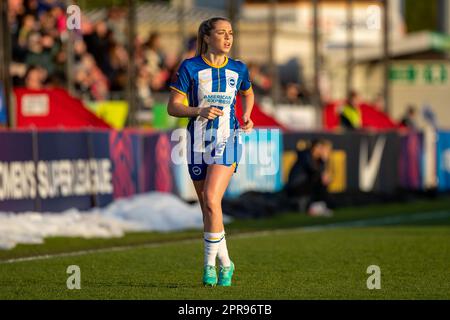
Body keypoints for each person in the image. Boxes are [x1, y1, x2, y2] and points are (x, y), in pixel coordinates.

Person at [167, 17, 254, 287]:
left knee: (212, 199)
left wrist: (247, 116)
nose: (228, 38)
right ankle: (226, 264)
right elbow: (173, 107)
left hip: (227, 140)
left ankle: (208, 268)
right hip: (197, 141)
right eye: (221, 33)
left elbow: (248, 93)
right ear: (206, 37)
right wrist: (198, 110)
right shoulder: (190, 67)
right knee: (208, 207)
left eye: (231, 33)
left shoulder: (238, 68)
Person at [285, 139, 333, 217]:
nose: (320, 151)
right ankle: (314, 208)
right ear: (313, 148)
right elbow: (313, 170)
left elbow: (323, 175)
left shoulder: (318, 160)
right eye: (319, 148)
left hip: (306, 185)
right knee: (319, 182)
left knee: (323, 182)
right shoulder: (306, 156)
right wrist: (324, 160)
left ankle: (318, 206)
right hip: (297, 185)